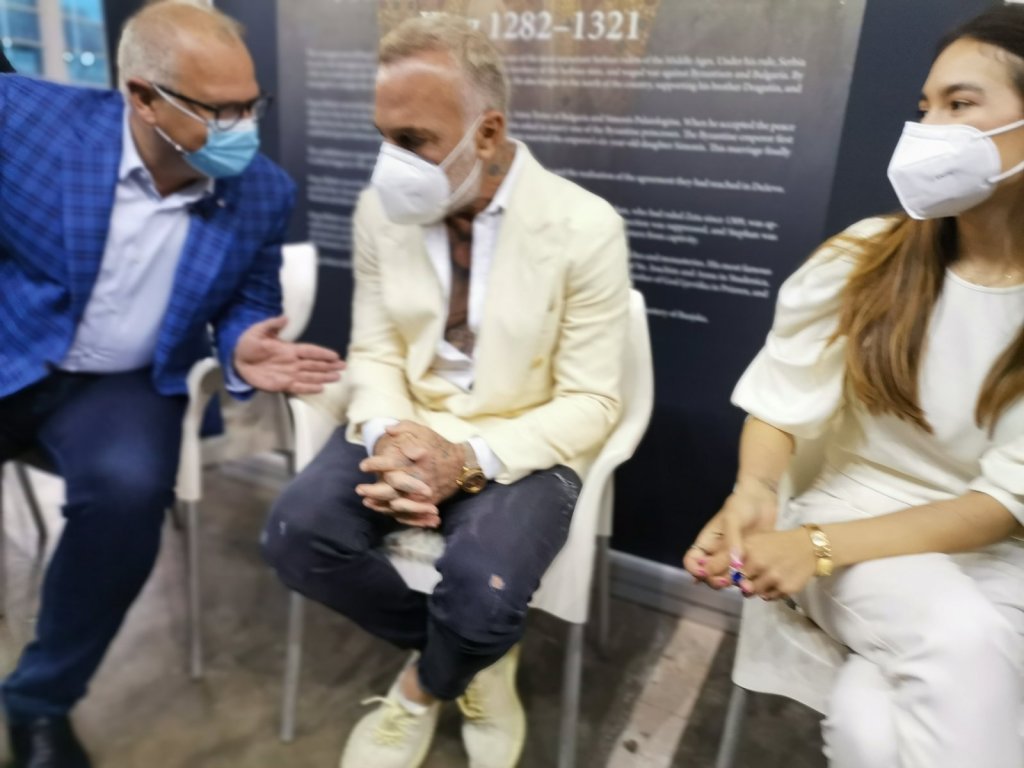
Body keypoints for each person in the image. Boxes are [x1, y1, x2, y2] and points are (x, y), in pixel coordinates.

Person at [263, 13, 630, 768]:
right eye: (383, 136)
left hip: (521, 440)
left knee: (484, 588)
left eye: (413, 140)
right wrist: (390, 435)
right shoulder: (380, 211)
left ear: (487, 133)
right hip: (405, 420)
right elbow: (375, 349)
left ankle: (420, 690)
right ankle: (472, 656)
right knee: (297, 535)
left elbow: (593, 400)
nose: (389, 163)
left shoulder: (585, 227)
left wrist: (464, 460)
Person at [0, 2, 344, 766]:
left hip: (121, 386)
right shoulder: (28, 125)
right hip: (13, 347)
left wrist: (243, 341)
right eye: (218, 110)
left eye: (251, 104)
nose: (242, 128)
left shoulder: (262, 191)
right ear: (142, 97)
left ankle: (39, 702)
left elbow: (250, 295)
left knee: (130, 498)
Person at [684, 6, 1024, 767]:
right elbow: (780, 402)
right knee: (962, 642)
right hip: (848, 508)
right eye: (925, 107)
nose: (929, 129)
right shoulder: (866, 259)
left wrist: (816, 549)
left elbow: (1002, 506)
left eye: (961, 104)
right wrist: (755, 493)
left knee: (872, 729)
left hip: (991, 551)